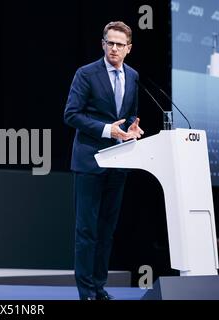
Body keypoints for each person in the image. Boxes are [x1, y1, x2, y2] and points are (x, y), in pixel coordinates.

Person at [63, 21, 144, 300]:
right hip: (90, 162)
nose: (114, 48)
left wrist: (131, 129)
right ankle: (85, 291)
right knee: (87, 231)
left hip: (118, 162)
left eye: (120, 44)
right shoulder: (86, 74)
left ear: (128, 49)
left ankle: (98, 287)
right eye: (110, 43)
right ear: (103, 44)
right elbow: (71, 114)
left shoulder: (133, 76)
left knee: (106, 231)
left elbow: (130, 113)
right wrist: (107, 129)